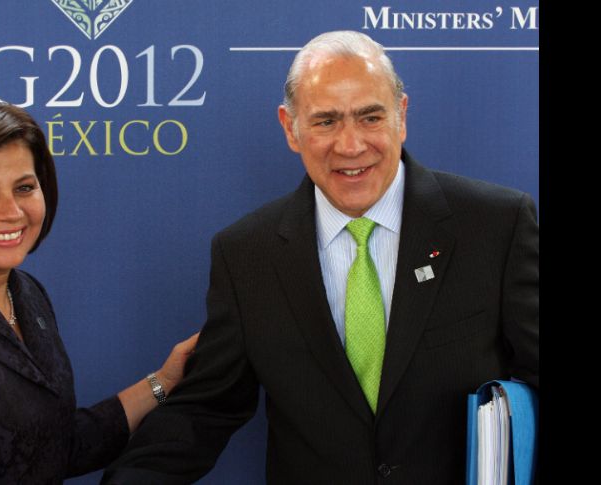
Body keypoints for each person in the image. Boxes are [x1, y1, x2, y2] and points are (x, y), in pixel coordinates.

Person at [101, 30, 538, 484]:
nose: (350, 146)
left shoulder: (496, 226)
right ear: (290, 127)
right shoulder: (246, 254)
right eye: (325, 122)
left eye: (370, 117)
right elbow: (206, 409)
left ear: (401, 116)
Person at [0, 100, 199, 484]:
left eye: (24, 187)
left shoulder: (25, 293)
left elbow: (53, 446)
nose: (11, 212)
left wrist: (164, 382)